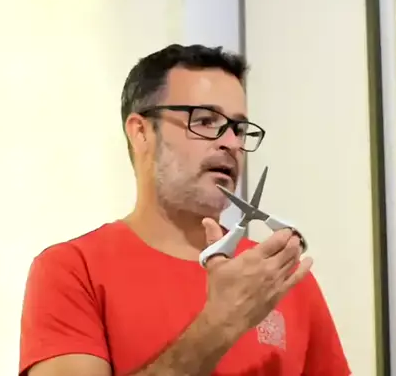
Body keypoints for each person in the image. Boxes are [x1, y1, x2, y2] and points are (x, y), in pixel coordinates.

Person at [18, 44, 350, 375]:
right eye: (205, 121)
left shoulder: (278, 277)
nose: (231, 143)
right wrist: (219, 325)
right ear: (141, 132)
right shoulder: (72, 270)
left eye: (238, 129)